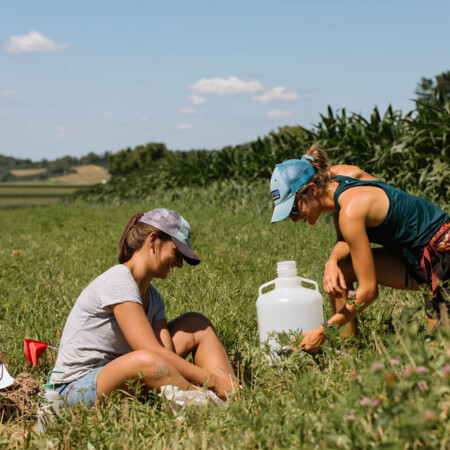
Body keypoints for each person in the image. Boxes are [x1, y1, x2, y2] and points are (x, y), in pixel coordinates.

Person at [270, 144, 449, 354]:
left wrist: (323, 330)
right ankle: (348, 350)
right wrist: (332, 262)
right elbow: (345, 238)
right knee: (341, 271)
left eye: (293, 209)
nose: (294, 219)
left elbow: (368, 292)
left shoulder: (351, 212)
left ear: (312, 190)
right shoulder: (337, 177)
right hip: (413, 255)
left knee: (438, 354)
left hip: (442, 258)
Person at [50, 208, 237, 407]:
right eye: (177, 252)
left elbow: (168, 356)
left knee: (196, 324)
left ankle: (234, 396)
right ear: (153, 240)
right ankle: (208, 403)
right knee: (147, 359)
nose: (180, 265)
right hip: (74, 388)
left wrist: (212, 380)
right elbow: (150, 352)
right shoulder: (119, 280)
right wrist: (212, 382)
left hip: (127, 374)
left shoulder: (153, 298)